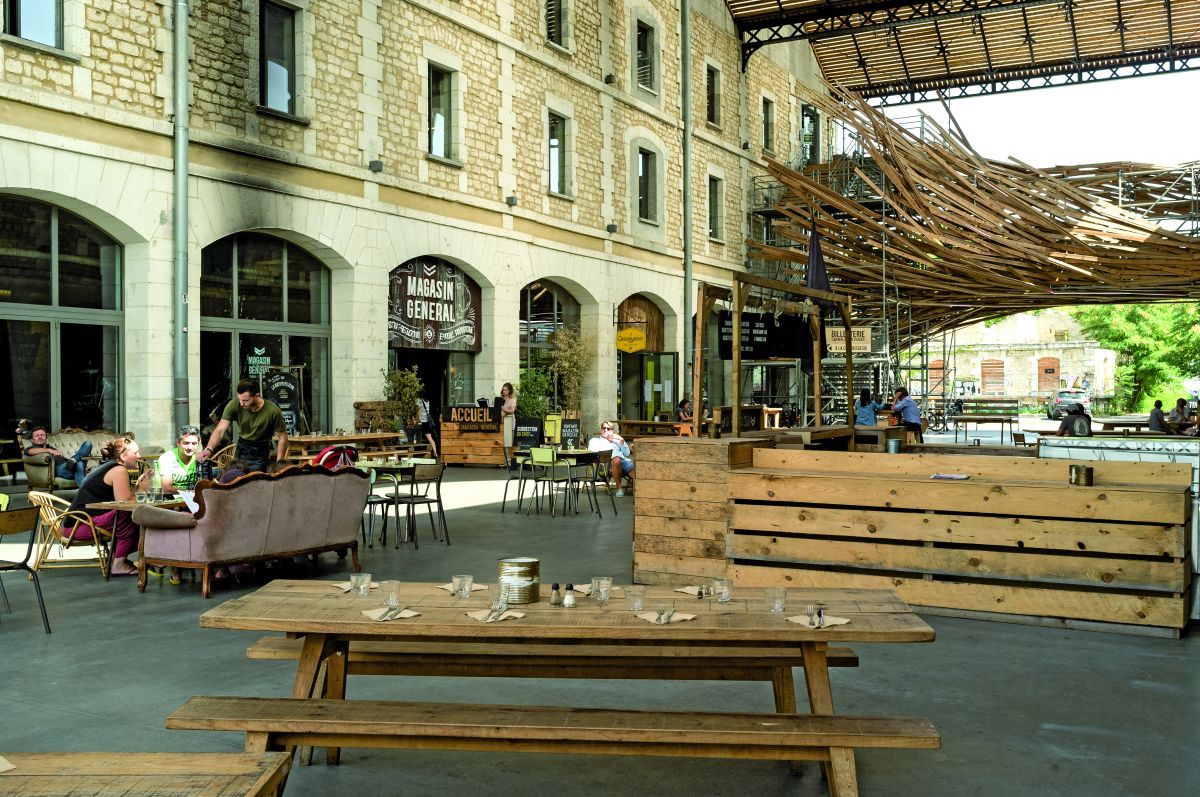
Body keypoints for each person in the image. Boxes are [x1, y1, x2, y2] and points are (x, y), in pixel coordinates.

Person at [66, 434, 152, 576]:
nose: (139, 456)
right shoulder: (119, 470)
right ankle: (118, 564)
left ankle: (115, 560)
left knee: (130, 514)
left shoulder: (111, 467)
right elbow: (124, 504)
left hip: (78, 523)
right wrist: (142, 491)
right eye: (135, 453)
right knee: (129, 515)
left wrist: (138, 487)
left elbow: (125, 499)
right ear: (123, 456)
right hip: (80, 526)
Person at [197, 379, 288, 472]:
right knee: (235, 475)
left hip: (260, 451)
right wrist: (209, 449)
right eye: (239, 399)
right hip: (242, 448)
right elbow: (220, 429)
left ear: (257, 396)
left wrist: (279, 464)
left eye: (245, 400)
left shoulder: (273, 411)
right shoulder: (234, 404)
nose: (241, 403)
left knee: (255, 478)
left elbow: (282, 437)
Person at [23, 425, 92, 487]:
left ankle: (74, 460)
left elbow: (63, 459)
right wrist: (49, 450)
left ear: (46, 438)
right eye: (37, 436)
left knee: (87, 444)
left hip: (69, 466)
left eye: (42, 435)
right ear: (32, 439)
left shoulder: (51, 448)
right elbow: (29, 452)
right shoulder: (31, 448)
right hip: (60, 470)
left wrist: (73, 463)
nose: (40, 437)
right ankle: (83, 490)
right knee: (79, 463)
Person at [591, 420, 634, 497]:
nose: (605, 430)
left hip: (623, 463)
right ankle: (619, 489)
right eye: (604, 428)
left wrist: (621, 440)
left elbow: (627, 454)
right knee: (616, 459)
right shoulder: (595, 441)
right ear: (601, 430)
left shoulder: (617, 441)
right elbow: (592, 454)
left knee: (634, 475)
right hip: (605, 465)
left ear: (612, 431)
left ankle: (642, 490)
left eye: (608, 429)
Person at [158, 425, 200, 494]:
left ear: (198, 443)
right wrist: (192, 492)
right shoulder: (167, 458)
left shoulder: (200, 459)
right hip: (172, 499)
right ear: (178, 443)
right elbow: (167, 489)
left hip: (195, 498)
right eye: (186, 443)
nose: (190, 447)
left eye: (194, 444)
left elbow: (205, 486)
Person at [417, 392, 438, 458]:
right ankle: (435, 453)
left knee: (417, 438)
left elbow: (418, 411)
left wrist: (416, 420)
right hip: (427, 422)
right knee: (430, 438)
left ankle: (419, 453)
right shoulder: (427, 401)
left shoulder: (419, 401)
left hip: (421, 422)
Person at [499, 382, 517, 462]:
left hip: (510, 423)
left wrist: (503, 409)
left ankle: (510, 461)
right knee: (503, 443)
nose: (504, 392)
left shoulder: (513, 400)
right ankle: (504, 460)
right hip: (502, 423)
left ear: (510, 391)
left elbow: (512, 411)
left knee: (510, 442)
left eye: (506, 390)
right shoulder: (500, 399)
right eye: (503, 390)